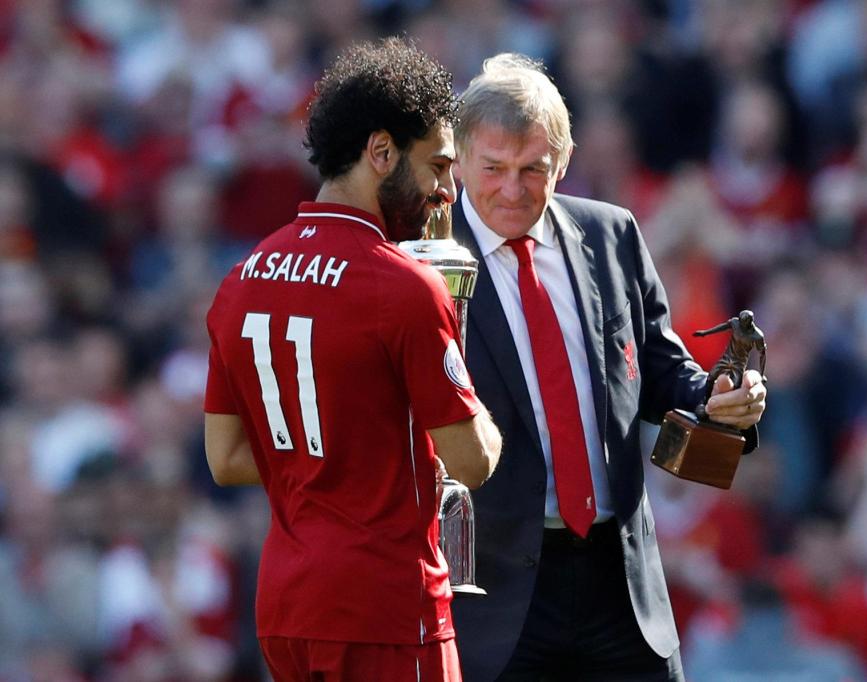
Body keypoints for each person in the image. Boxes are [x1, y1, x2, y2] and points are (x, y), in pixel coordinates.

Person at [448, 53, 767, 681]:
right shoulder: (425, 262)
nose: (512, 190)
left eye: (532, 169)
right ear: (458, 160)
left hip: (621, 582)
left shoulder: (611, 233)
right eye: (493, 169)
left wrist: (718, 398)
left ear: (563, 163)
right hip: (495, 592)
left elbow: (656, 366)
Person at [203, 38, 501, 682]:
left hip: (286, 606)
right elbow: (472, 461)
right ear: (381, 152)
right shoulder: (402, 287)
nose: (446, 191)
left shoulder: (242, 277)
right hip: (386, 610)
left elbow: (225, 458)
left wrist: (340, 456)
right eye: (438, 166)